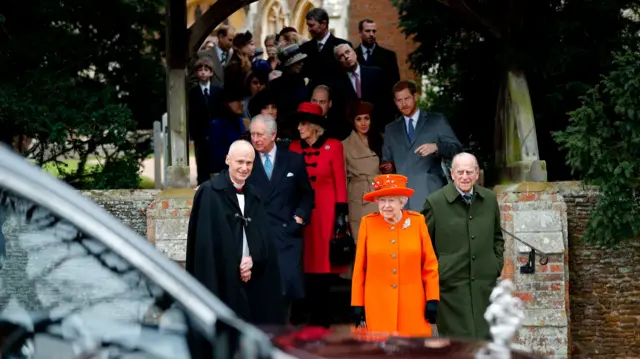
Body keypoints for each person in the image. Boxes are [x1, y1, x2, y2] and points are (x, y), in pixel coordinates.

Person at [186, 140, 285, 326]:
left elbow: (263, 238)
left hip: (251, 278)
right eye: (240, 162)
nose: (244, 168)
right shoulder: (209, 193)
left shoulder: (254, 195)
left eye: (249, 163)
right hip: (221, 279)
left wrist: (252, 258)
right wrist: (236, 263)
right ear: (227, 160)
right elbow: (206, 244)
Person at [421, 152, 505, 340]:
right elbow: (424, 246)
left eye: (469, 172)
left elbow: (497, 237)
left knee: (486, 343)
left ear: (477, 174)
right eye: (460, 172)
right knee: (457, 345)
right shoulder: (435, 203)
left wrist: (495, 264)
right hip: (451, 289)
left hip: (485, 287)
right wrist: (439, 271)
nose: (465, 177)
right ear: (452, 174)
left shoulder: (489, 199)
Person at [351, 174, 439, 337]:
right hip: (377, 304)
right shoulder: (368, 223)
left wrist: (432, 299)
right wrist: (357, 303)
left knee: (412, 351)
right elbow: (359, 268)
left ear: (402, 201)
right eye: (382, 200)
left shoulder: (417, 222)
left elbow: (429, 265)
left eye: (391, 200)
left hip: (413, 305)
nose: (386, 206)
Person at [246, 114, 314, 318]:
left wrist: (299, 219)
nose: (255, 139)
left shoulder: (293, 160)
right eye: (252, 134)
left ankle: (281, 343)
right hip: (256, 237)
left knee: (284, 295)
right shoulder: (246, 161)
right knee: (258, 295)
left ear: (273, 135)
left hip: (286, 237)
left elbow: (307, 194)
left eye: (260, 135)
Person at [288, 102, 349, 328]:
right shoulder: (293, 147)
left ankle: (323, 316)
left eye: (303, 124)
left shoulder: (333, 146)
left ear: (315, 126)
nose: (299, 128)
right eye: (299, 124)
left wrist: (341, 217)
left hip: (326, 212)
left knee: (323, 265)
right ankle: (302, 312)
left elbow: (340, 182)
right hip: (301, 211)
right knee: (302, 262)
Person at [381, 80, 462, 211]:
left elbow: (457, 149)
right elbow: (387, 163)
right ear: (395, 102)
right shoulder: (391, 129)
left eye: (407, 98)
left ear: (415, 96)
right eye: (399, 100)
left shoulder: (436, 121)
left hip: (431, 197)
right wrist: (387, 166)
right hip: (402, 202)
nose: (404, 104)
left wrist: (437, 147)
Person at [342, 101, 382, 246]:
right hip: (358, 198)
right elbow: (343, 180)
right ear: (353, 121)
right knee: (362, 244)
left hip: (380, 196)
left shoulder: (381, 140)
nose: (363, 123)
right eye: (359, 119)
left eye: (367, 118)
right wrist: (344, 212)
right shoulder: (344, 145)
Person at [189, 57, 223, 185]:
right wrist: (193, 134)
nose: (203, 72)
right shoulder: (193, 93)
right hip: (200, 134)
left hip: (216, 133)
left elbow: (221, 112)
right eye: (200, 70)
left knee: (216, 160)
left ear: (211, 73)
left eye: (206, 69)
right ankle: (202, 185)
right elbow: (192, 115)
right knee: (202, 161)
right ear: (196, 73)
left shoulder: (218, 91)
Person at [208, 88, 249, 175]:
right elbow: (217, 158)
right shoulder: (216, 125)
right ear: (227, 103)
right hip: (224, 174)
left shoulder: (240, 121)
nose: (242, 103)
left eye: (241, 100)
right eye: (237, 101)